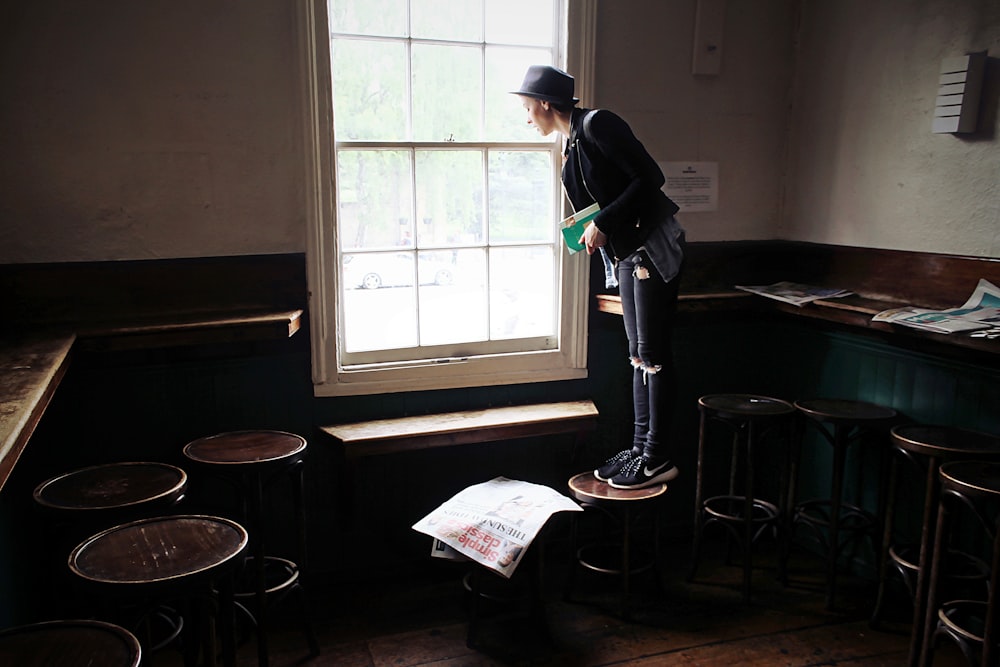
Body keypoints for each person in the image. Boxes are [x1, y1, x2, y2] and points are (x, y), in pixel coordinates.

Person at [512, 65, 686, 490]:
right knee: (639, 354)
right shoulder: (572, 143)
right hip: (626, 252)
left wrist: (604, 221)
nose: (527, 116)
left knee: (653, 354)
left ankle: (657, 456)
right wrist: (590, 224)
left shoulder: (597, 124)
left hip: (651, 247)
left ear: (546, 104)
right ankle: (641, 447)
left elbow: (650, 179)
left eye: (527, 107)